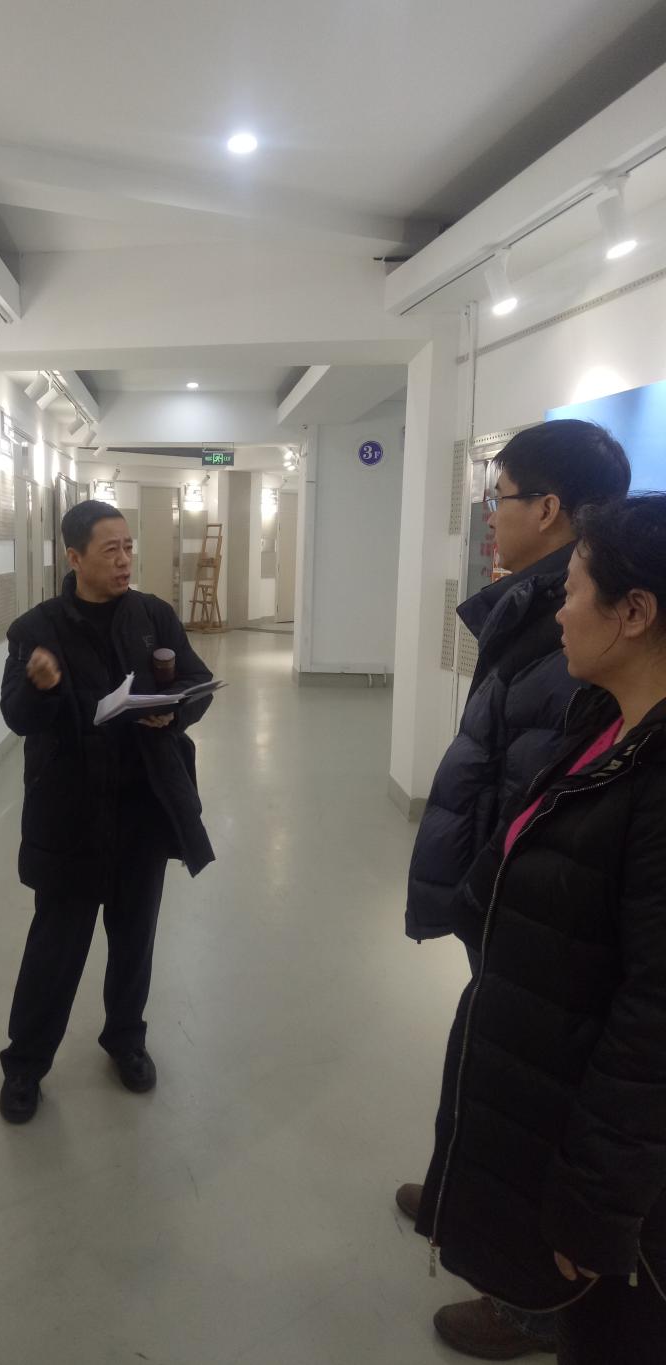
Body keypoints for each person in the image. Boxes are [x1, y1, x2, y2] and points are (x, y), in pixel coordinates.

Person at [398, 419, 631, 1359]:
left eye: (498, 499)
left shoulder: (581, 622)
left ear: (550, 508)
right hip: (504, 877)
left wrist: (506, 871)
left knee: (534, 1081)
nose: (488, 516)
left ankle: (530, 1298)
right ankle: (461, 1192)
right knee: (492, 1054)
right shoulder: (531, 602)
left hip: (535, 885)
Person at [0, 499, 215, 1123]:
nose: (124, 561)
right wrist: (40, 685)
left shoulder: (153, 615)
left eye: (128, 548)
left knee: (135, 936)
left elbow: (194, 681)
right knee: (56, 946)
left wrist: (174, 709)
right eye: (110, 550)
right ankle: (25, 1065)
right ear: (74, 557)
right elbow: (17, 717)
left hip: (143, 803)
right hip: (71, 808)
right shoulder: (36, 628)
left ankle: (126, 1041)